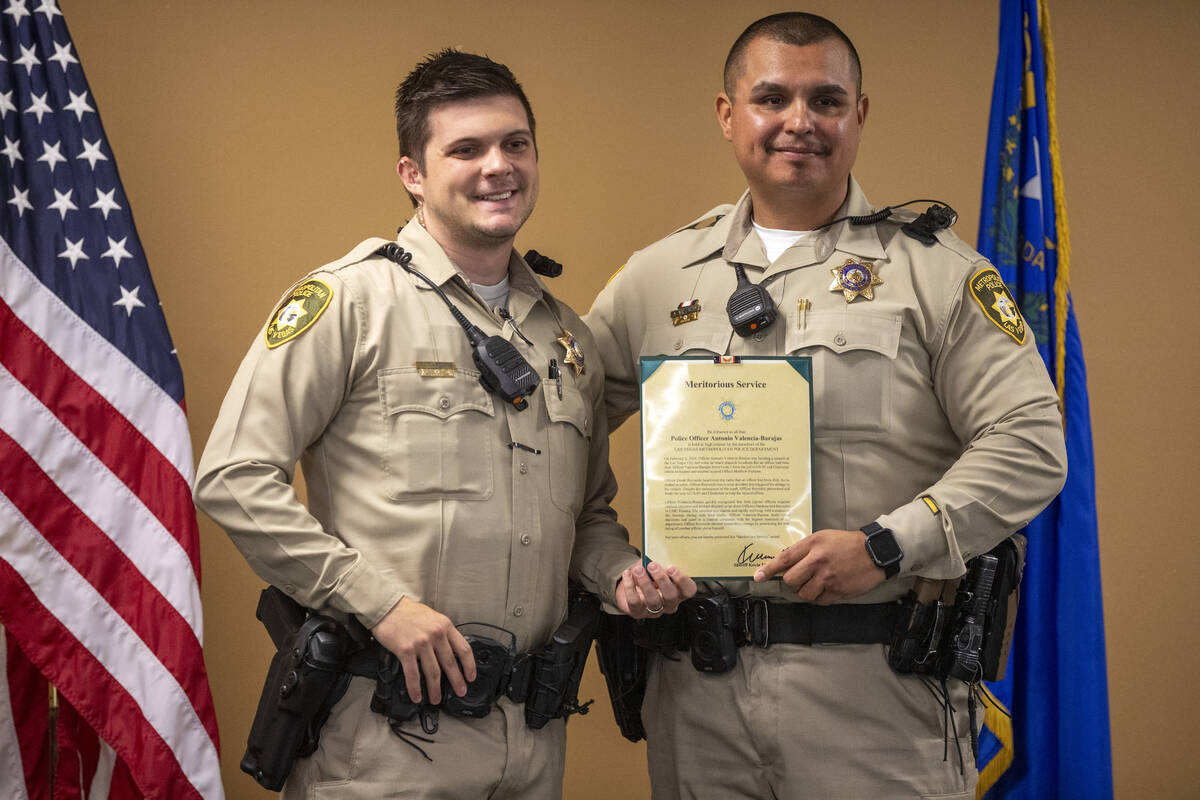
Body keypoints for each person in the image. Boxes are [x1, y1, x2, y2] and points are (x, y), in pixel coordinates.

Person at [584, 13, 1067, 800]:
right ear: (727, 113)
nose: (799, 122)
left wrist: (885, 544)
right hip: (698, 693)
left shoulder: (936, 273)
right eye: (772, 98)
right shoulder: (656, 277)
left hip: (875, 692)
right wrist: (608, 565)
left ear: (860, 115)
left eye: (826, 100)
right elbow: (555, 435)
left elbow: (1033, 442)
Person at [194, 49, 693, 799]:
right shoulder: (351, 303)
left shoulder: (567, 339)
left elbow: (588, 517)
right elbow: (232, 478)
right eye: (466, 149)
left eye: (514, 143)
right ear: (413, 173)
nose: (499, 166)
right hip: (384, 741)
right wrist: (380, 602)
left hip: (531, 743)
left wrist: (622, 574)